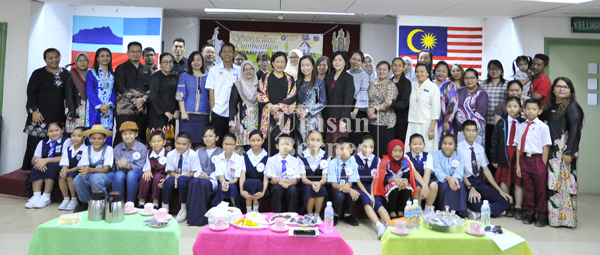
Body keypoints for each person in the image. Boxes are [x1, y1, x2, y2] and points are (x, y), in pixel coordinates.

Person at [540, 77, 584, 228]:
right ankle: (554, 218)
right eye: (558, 86)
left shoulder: (572, 107)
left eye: (565, 87)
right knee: (553, 185)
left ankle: (567, 220)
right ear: (553, 89)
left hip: (564, 152)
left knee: (565, 186)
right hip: (552, 153)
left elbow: (575, 130)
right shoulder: (550, 106)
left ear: (570, 90)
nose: (561, 89)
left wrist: (569, 152)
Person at [23, 48, 69, 171]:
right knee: (35, 142)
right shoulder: (38, 73)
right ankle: (32, 169)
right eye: (50, 58)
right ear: (45, 60)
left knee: (55, 143)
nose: (54, 60)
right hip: (40, 115)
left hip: (57, 115)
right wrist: (34, 111)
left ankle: (51, 170)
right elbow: (31, 93)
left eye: (56, 57)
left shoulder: (66, 74)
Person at [459, 120, 512, 219]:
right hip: (466, 182)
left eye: (474, 130)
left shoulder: (480, 148)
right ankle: (489, 210)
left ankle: (479, 213)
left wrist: (500, 190)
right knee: (476, 203)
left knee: (506, 200)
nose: (471, 133)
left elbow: (486, 170)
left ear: (477, 132)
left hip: (478, 181)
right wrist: (471, 188)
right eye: (468, 130)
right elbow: (460, 172)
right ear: (463, 132)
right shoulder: (459, 149)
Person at [515, 99, 552, 227]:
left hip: (538, 160)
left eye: (534, 109)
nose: (531, 111)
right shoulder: (520, 127)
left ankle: (542, 215)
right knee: (528, 188)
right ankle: (529, 213)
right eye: (528, 108)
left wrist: (542, 164)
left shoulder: (543, 127)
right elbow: (518, 147)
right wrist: (518, 164)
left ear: (539, 111)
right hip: (525, 159)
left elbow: (546, 147)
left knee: (540, 189)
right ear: (524, 110)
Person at [491, 97, 525, 219]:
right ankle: (506, 205)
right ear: (506, 108)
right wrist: (494, 158)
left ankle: (518, 207)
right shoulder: (502, 122)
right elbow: (494, 141)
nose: (512, 109)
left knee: (518, 181)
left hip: (518, 155)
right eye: (509, 106)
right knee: (504, 180)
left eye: (515, 106)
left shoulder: (523, 122)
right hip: (504, 154)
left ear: (520, 108)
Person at [257, 51, 297, 155]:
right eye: (277, 62)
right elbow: (260, 94)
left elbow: (292, 97)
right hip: (267, 115)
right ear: (273, 63)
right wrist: (271, 107)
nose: (280, 64)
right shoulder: (265, 77)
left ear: (285, 63)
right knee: (267, 144)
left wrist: (278, 108)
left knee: (282, 142)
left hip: (283, 116)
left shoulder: (290, 79)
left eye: (282, 62)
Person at [26, 122, 72, 209]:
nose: (54, 133)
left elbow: (64, 157)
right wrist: (39, 163)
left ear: (62, 130)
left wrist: (46, 160)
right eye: (51, 131)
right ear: (47, 132)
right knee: (36, 167)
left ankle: (46, 196)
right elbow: (34, 159)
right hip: (45, 164)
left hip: (59, 165)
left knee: (51, 167)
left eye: (57, 130)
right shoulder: (42, 142)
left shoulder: (67, 141)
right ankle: (36, 195)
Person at [114, 42, 151, 145]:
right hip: (125, 109)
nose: (135, 54)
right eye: (132, 51)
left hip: (141, 109)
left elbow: (151, 88)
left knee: (140, 135)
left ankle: (138, 160)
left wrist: (143, 100)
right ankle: (117, 160)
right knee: (123, 135)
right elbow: (121, 87)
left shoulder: (147, 69)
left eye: (138, 51)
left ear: (142, 53)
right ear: (127, 53)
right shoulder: (121, 68)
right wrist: (136, 101)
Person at [352, 135, 390, 239]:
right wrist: (369, 195)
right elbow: (357, 180)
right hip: (359, 186)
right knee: (366, 199)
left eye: (371, 147)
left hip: (372, 186)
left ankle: (390, 226)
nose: (369, 149)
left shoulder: (377, 159)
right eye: (366, 146)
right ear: (360, 146)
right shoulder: (354, 159)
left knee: (377, 201)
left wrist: (372, 194)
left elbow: (375, 179)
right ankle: (379, 226)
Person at [72, 125, 115, 212]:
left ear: (104, 139)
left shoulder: (108, 149)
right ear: (89, 139)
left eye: (99, 138)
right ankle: (88, 203)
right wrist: (84, 172)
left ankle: (103, 203)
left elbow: (105, 169)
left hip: (107, 175)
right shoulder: (87, 149)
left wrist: (90, 170)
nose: (96, 141)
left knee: (95, 178)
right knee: (78, 179)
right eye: (93, 138)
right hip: (91, 174)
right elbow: (85, 167)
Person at [206, 42, 241, 147]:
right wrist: (213, 110)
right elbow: (211, 90)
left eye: (229, 51)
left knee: (232, 141)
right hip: (218, 111)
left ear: (234, 54)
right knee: (218, 140)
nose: (227, 54)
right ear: (220, 54)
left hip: (234, 113)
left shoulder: (239, 70)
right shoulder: (214, 70)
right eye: (224, 51)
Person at [162, 132, 201, 222]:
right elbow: (171, 171)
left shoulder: (193, 154)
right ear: (175, 142)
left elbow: (193, 172)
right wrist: (175, 177)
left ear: (189, 145)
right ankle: (165, 207)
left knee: (182, 180)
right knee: (168, 182)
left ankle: (183, 209)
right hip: (175, 175)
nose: (180, 146)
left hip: (187, 178)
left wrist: (180, 177)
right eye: (178, 143)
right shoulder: (171, 154)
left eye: (184, 144)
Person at [187, 127, 223, 226]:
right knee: (194, 182)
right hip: (200, 177)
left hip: (212, 180)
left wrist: (209, 176)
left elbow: (220, 170)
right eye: (205, 136)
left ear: (216, 138)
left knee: (204, 184)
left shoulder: (221, 152)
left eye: (211, 136)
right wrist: (200, 174)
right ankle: (192, 217)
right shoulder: (199, 151)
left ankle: (202, 218)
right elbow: (196, 167)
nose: (208, 139)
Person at [177, 51, 209, 149]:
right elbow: (180, 95)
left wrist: (211, 113)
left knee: (200, 144)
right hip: (187, 116)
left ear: (202, 61)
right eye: (193, 60)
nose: (196, 62)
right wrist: (183, 112)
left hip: (203, 116)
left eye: (199, 60)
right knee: (186, 144)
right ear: (190, 62)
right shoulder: (184, 76)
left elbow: (212, 96)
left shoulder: (208, 76)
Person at [406, 63, 441, 153]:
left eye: (422, 71)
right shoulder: (412, 85)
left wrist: (432, 129)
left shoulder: (433, 87)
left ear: (428, 73)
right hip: (412, 122)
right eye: (417, 71)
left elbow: (436, 109)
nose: (419, 74)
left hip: (427, 124)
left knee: (427, 149)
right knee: (410, 149)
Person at [148, 53, 180, 150]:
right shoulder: (155, 77)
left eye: (170, 61)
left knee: (169, 142)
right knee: (157, 140)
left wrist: (177, 110)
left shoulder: (176, 76)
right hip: (157, 114)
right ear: (160, 63)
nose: (168, 64)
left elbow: (180, 94)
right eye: (165, 62)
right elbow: (153, 96)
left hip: (172, 115)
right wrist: (165, 112)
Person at [324, 51, 355, 148]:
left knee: (339, 146)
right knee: (329, 144)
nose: (337, 62)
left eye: (340, 60)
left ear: (345, 62)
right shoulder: (328, 77)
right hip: (328, 117)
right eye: (335, 60)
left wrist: (343, 120)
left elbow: (348, 100)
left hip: (340, 118)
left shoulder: (348, 78)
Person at [86, 48, 116, 145]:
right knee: (94, 135)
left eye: (107, 56)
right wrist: (101, 107)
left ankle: (106, 159)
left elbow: (115, 91)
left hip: (109, 109)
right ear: (97, 58)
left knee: (106, 137)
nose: (105, 58)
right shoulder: (91, 73)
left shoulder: (113, 74)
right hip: (94, 109)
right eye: (102, 56)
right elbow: (89, 92)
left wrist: (108, 105)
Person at [327, 136, 360, 226]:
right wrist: (348, 189)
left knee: (353, 194)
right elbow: (334, 184)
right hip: (336, 188)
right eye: (341, 149)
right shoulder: (333, 163)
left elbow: (350, 182)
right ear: (336, 150)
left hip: (347, 186)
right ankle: (336, 215)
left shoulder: (353, 164)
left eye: (347, 149)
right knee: (339, 195)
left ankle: (348, 215)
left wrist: (348, 188)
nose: (344, 152)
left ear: (351, 150)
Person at [367, 61, 398, 158]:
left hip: (386, 121)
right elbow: (366, 98)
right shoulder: (371, 83)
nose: (382, 71)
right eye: (379, 69)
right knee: (372, 149)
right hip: (372, 120)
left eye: (384, 69)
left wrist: (374, 109)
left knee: (383, 150)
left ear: (389, 71)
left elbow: (388, 103)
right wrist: (368, 110)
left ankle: (384, 171)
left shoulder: (391, 85)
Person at [481, 60, 508, 168]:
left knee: (499, 147)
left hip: (502, 123)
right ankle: (488, 175)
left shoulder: (506, 84)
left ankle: (499, 174)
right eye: (491, 68)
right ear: (488, 70)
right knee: (488, 147)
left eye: (497, 68)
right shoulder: (483, 84)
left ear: (501, 71)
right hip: (486, 122)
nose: (494, 71)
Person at [432, 134, 468, 216]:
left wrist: (454, 179)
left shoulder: (460, 156)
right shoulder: (436, 155)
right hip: (442, 180)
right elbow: (437, 171)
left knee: (460, 186)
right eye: (444, 143)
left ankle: (461, 212)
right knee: (444, 186)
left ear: (456, 146)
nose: (447, 146)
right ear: (441, 144)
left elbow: (459, 170)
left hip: (455, 179)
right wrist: (448, 178)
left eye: (450, 144)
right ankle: (445, 212)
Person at [112, 121, 147, 203]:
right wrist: (120, 165)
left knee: (131, 174)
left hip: (137, 172)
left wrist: (128, 166)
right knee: (118, 174)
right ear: (121, 135)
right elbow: (117, 166)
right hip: (122, 171)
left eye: (130, 133)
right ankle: (118, 202)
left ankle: (130, 202)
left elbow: (140, 167)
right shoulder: (117, 148)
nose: (127, 136)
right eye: (124, 134)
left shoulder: (142, 147)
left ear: (136, 134)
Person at [229, 60, 260, 152]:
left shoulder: (259, 85)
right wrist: (231, 123)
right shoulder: (237, 85)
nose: (248, 71)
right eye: (245, 69)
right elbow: (232, 105)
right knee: (241, 149)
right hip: (242, 122)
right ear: (242, 72)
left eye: (251, 69)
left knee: (254, 146)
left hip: (256, 121)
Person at [296, 56, 327, 145]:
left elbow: (323, 102)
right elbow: (294, 100)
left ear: (313, 66)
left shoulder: (319, 82)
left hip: (314, 119)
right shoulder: (297, 82)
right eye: (302, 65)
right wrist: (296, 109)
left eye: (307, 65)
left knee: (314, 144)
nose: (305, 68)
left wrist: (308, 111)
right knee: (301, 144)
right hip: (300, 118)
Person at [265, 134, 300, 213]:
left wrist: (288, 183)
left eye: (287, 144)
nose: (285, 147)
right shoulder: (271, 160)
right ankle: (276, 215)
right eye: (282, 144)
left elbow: (295, 180)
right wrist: (281, 182)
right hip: (276, 184)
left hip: (290, 184)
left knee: (293, 190)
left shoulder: (295, 161)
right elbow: (273, 180)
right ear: (277, 146)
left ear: (291, 146)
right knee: (278, 189)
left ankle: (292, 215)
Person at [454, 68, 488, 147]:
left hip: (475, 129)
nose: (469, 80)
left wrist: (470, 130)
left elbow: (480, 113)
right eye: (466, 78)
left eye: (472, 78)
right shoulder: (460, 91)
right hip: (459, 129)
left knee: (474, 152)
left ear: (477, 79)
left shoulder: (481, 93)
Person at [298, 130, 329, 216]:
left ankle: (317, 215)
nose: (315, 143)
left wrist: (318, 184)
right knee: (310, 189)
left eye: (318, 140)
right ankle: (309, 214)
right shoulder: (301, 156)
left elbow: (324, 178)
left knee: (322, 188)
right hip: (306, 185)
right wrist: (313, 183)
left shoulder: (326, 156)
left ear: (322, 142)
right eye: (312, 140)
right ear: (307, 140)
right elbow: (303, 179)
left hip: (320, 184)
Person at [405, 133, 438, 211]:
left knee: (434, 185)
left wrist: (425, 186)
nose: (417, 146)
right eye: (414, 144)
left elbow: (427, 172)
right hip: (414, 178)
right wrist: (424, 186)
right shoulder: (406, 156)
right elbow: (414, 172)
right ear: (410, 145)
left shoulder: (428, 155)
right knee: (417, 188)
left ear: (424, 145)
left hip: (426, 178)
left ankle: (427, 210)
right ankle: (418, 209)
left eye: (420, 144)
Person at [239, 130, 269, 213]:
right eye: (253, 140)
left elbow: (266, 176)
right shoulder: (244, 157)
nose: (256, 143)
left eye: (258, 140)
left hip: (260, 185)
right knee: (249, 182)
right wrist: (241, 191)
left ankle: (255, 211)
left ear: (263, 140)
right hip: (247, 185)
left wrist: (263, 192)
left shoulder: (267, 157)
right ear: (249, 141)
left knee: (257, 183)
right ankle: (248, 211)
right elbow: (242, 175)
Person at [137, 131, 168, 209]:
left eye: (159, 141)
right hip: (152, 174)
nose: (156, 144)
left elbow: (170, 170)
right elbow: (147, 167)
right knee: (145, 178)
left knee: (157, 177)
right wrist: (147, 170)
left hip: (163, 176)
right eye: (153, 141)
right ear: (150, 143)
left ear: (164, 142)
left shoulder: (168, 154)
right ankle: (141, 203)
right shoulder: (148, 153)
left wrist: (166, 179)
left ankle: (155, 204)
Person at [57, 126, 86, 210]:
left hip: (78, 171)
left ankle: (74, 199)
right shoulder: (68, 149)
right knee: (61, 177)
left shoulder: (85, 149)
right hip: (69, 170)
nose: (75, 138)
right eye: (73, 135)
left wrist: (68, 171)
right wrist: (64, 170)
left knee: (70, 176)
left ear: (84, 137)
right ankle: (66, 199)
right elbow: (64, 163)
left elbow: (80, 166)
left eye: (79, 136)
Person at [212, 133, 243, 208]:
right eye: (226, 144)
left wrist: (228, 183)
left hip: (233, 182)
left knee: (232, 188)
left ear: (235, 145)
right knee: (221, 188)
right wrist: (224, 183)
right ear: (222, 145)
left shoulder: (239, 159)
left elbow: (236, 179)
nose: (228, 147)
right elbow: (220, 176)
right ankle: (218, 210)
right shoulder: (218, 158)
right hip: (222, 181)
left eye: (231, 144)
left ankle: (236, 208)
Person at [347, 50, 370, 147]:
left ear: (361, 62)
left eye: (359, 60)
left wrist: (355, 110)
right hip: (345, 106)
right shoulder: (345, 73)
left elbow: (363, 93)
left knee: (355, 138)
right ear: (350, 60)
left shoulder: (364, 75)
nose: (355, 62)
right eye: (354, 59)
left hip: (358, 109)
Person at [65, 52, 90, 134]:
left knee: (86, 134)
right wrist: (71, 111)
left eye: (84, 60)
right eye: (80, 60)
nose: (82, 63)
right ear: (76, 62)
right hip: (76, 109)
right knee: (76, 134)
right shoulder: (72, 74)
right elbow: (68, 94)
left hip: (88, 109)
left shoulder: (90, 74)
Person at [434, 61, 458, 142]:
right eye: (438, 71)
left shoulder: (450, 85)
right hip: (430, 121)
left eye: (444, 71)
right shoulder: (430, 84)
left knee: (443, 143)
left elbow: (453, 103)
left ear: (448, 73)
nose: (441, 73)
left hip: (443, 122)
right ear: (434, 72)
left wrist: (447, 121)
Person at [389, 58, 411, 143]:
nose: (397, 68)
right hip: (389, 120)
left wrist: (391, 104)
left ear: (403, 68)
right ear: (391, 67)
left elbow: (405, 102)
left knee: (398, 144)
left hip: (401, 120)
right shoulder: (389, 81)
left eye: (399, 65)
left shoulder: (406, 83)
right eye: (395, 65)